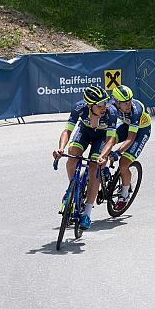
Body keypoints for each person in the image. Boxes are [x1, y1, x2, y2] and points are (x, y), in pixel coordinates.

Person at [52, 85, 119, 230]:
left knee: (94, 166)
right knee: (72, 154)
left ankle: (87, 213)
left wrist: (103, 156)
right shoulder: (79, 108)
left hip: (101, 138)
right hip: (85, 132)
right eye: (100, 104)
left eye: (105, 102)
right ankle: (72, 188)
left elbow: (110, 139)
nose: (104, 107)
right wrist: (60, 148)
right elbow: (67, 131)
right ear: (90, 105)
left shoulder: (111, 112)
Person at [108, 85, 151, 211]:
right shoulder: (111, 106)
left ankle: (125, 195)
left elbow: (131, 138)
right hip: (127, 126)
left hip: (141, 132)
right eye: (125, 103)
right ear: (116, 102)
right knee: (107, 143)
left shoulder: (135, 111)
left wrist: (118, 152)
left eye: (130, 101)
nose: (129, 105)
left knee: (123, 163)